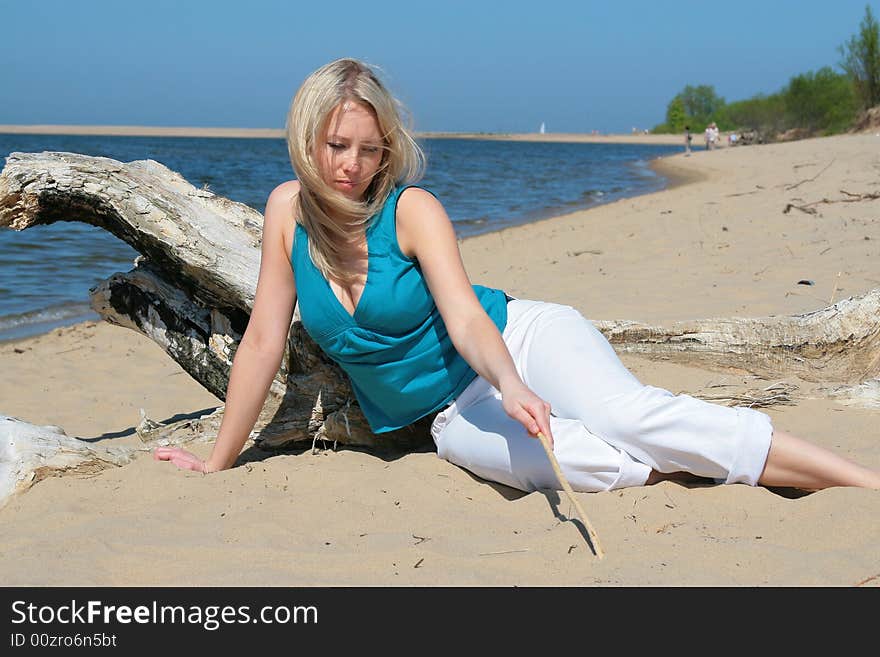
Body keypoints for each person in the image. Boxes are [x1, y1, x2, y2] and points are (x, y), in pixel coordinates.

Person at [155, 58, 880, 494]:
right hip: (446, 415)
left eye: (370, 149)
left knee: (630, 416)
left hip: (521, 341)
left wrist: (512, 382)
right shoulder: (285, 212)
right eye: (337, 144)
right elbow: (260, 343)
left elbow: (468, 318)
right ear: (307, 138)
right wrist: (219, 460)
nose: (352, 164)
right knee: (568, 463)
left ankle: (858, 480)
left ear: (387, 153)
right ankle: (703, 469)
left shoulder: (413, 210)